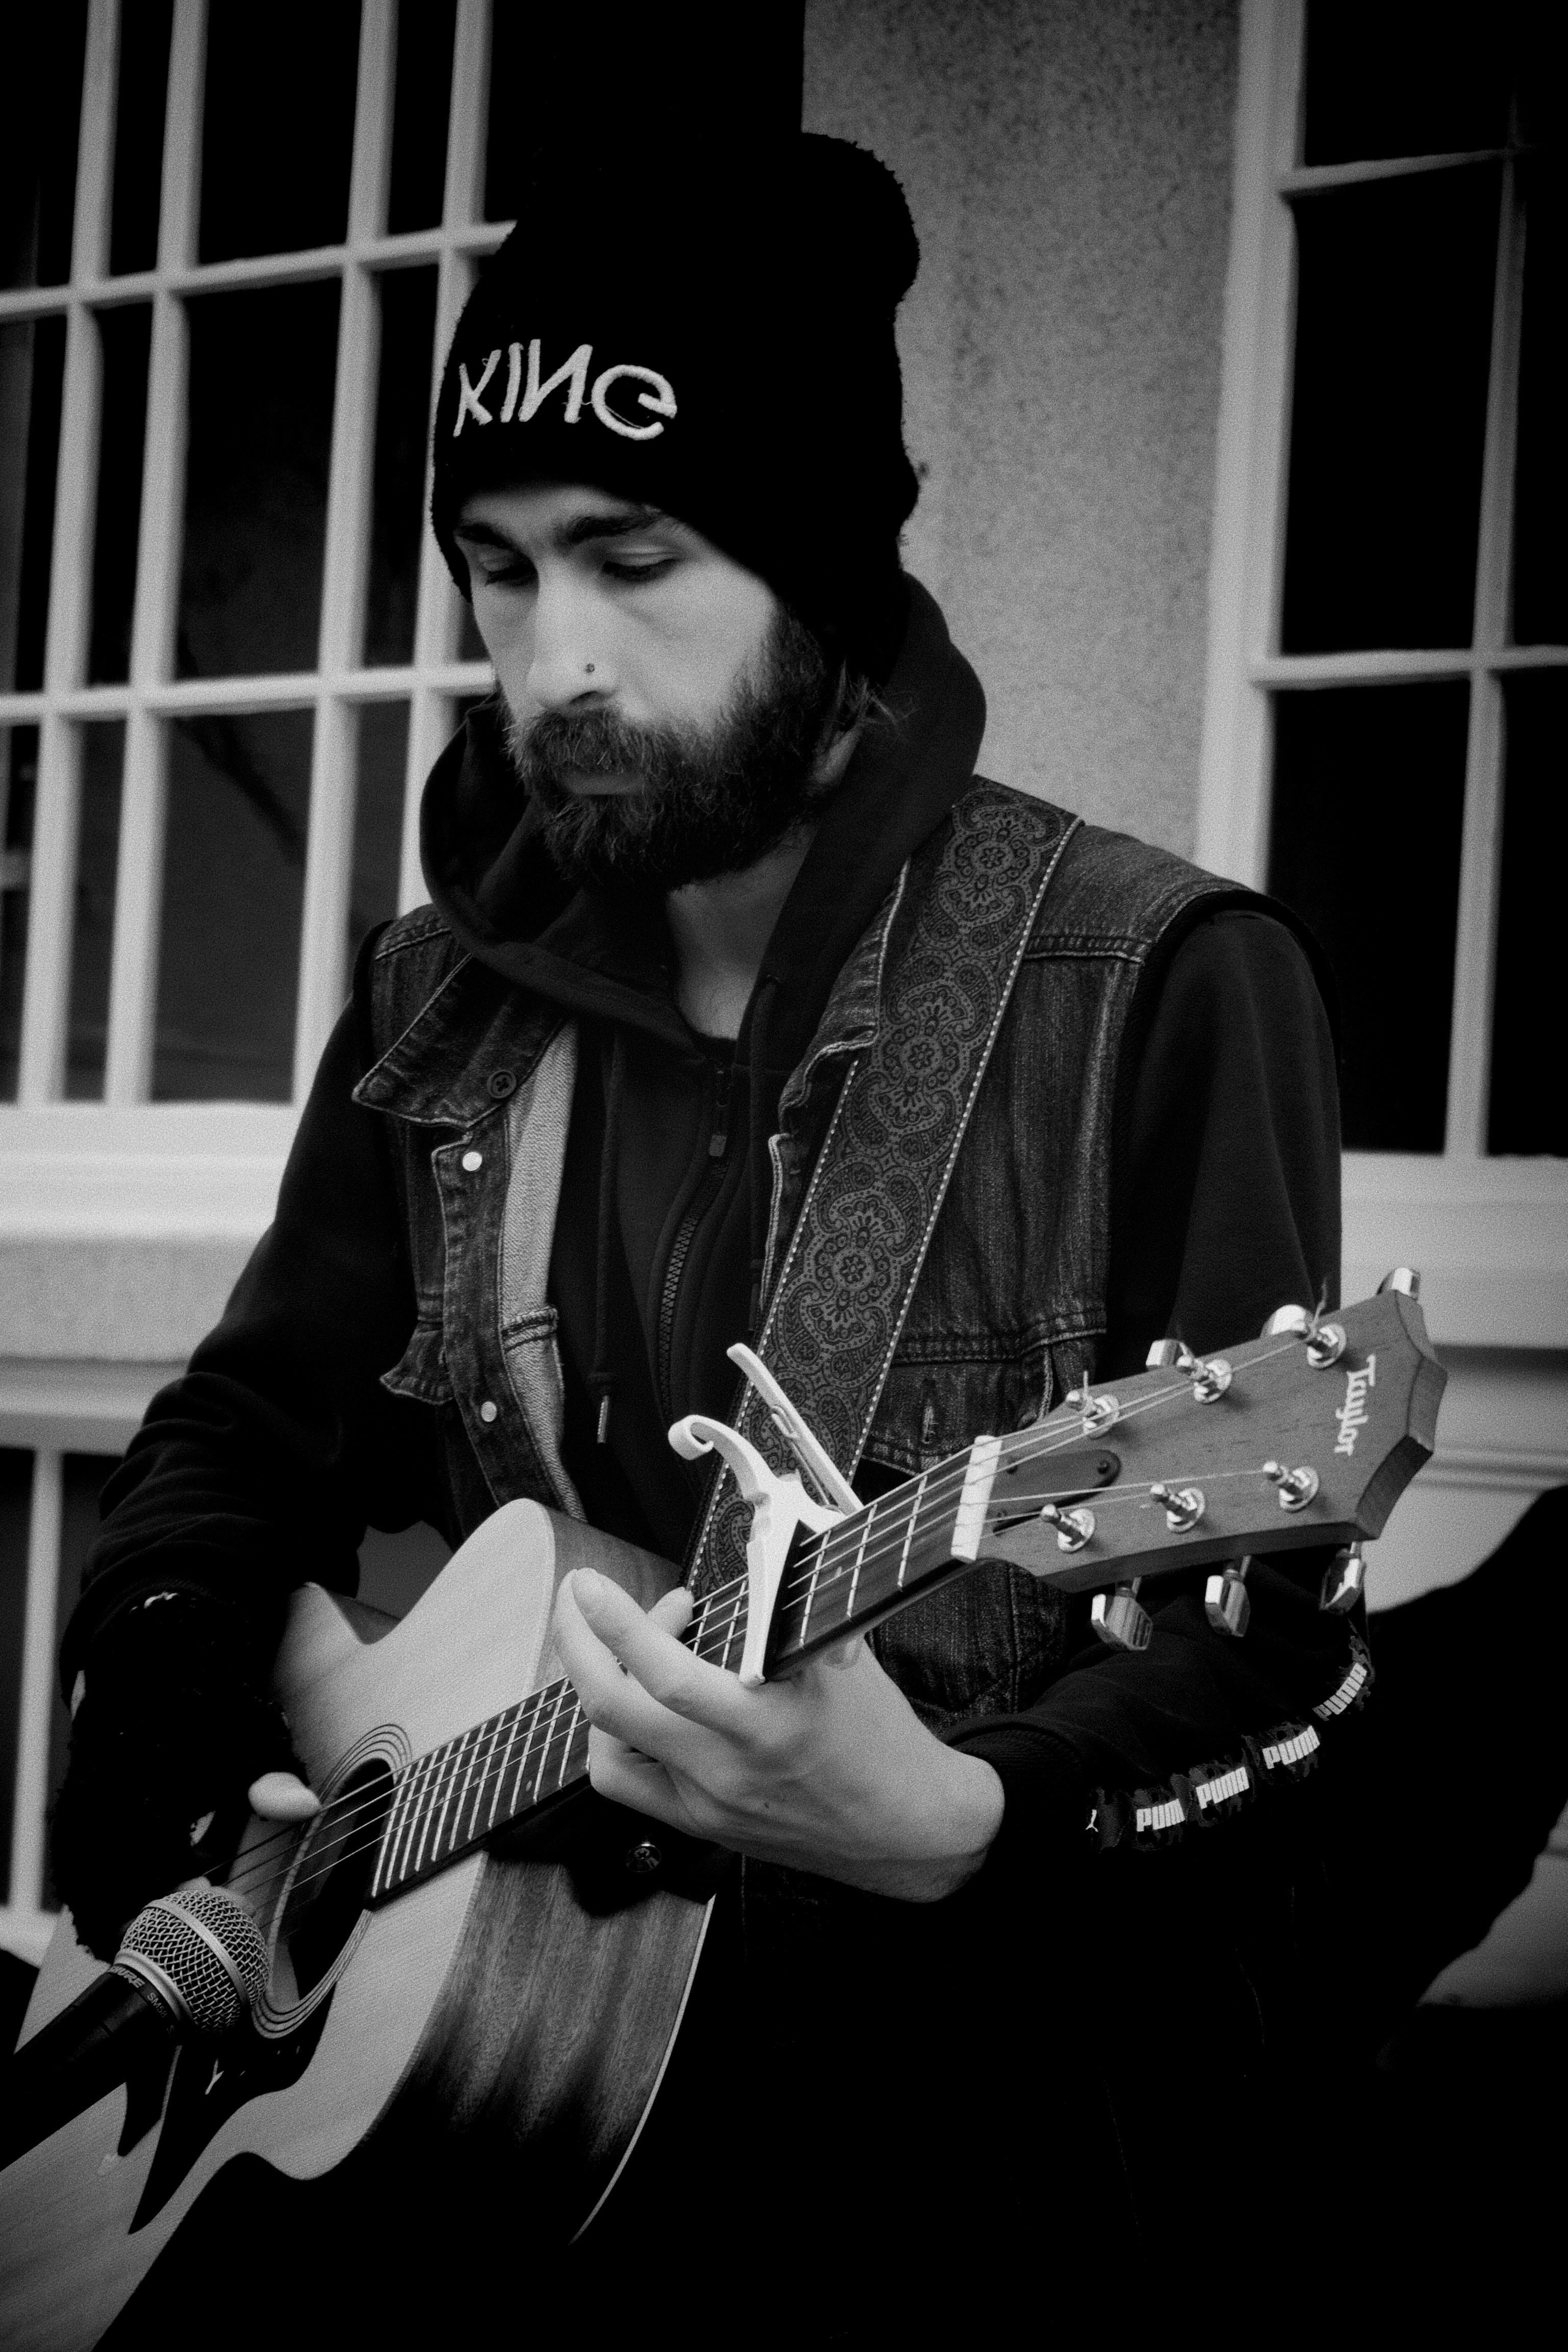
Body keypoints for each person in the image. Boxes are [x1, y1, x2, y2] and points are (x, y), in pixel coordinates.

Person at [53, 137, 1362, 2334]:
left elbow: (1274, 1659)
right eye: (495, 566)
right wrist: (198, 1754)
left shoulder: (1161, 985)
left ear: (825, 566)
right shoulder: (439, 999)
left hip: (951, 2176)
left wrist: (965, 1823)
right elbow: (239, 1431)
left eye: (632, 556)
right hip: (487, 2138)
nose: (551, 657)